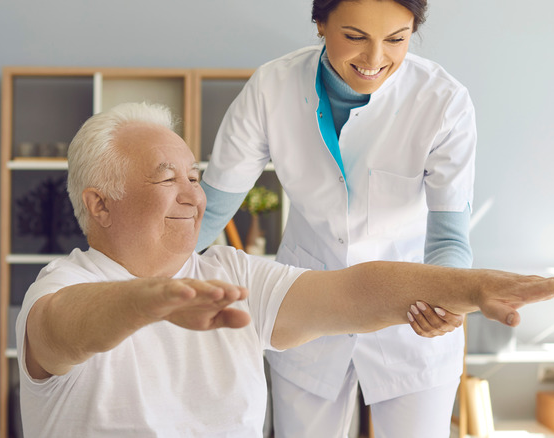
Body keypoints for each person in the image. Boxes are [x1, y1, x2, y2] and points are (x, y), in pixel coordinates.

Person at [16, 102, 554, 437]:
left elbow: (353, 290)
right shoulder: (67, 285)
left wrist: (473, 285)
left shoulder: (231, 269)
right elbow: (67, 328)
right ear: (100, 203)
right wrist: (149, 300)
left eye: (195, 176)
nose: (193, 195)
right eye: (167, 179)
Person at [197, 0, 476, 436]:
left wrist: (447, 296)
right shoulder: (273, 87)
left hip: (411, 321)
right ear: (320, 23)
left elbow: (449, 242)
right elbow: (210, 211)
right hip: (308, 307)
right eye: (355, 37)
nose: (374, 59)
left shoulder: (443, 102)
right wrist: (130, 283)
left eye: (396, 40)